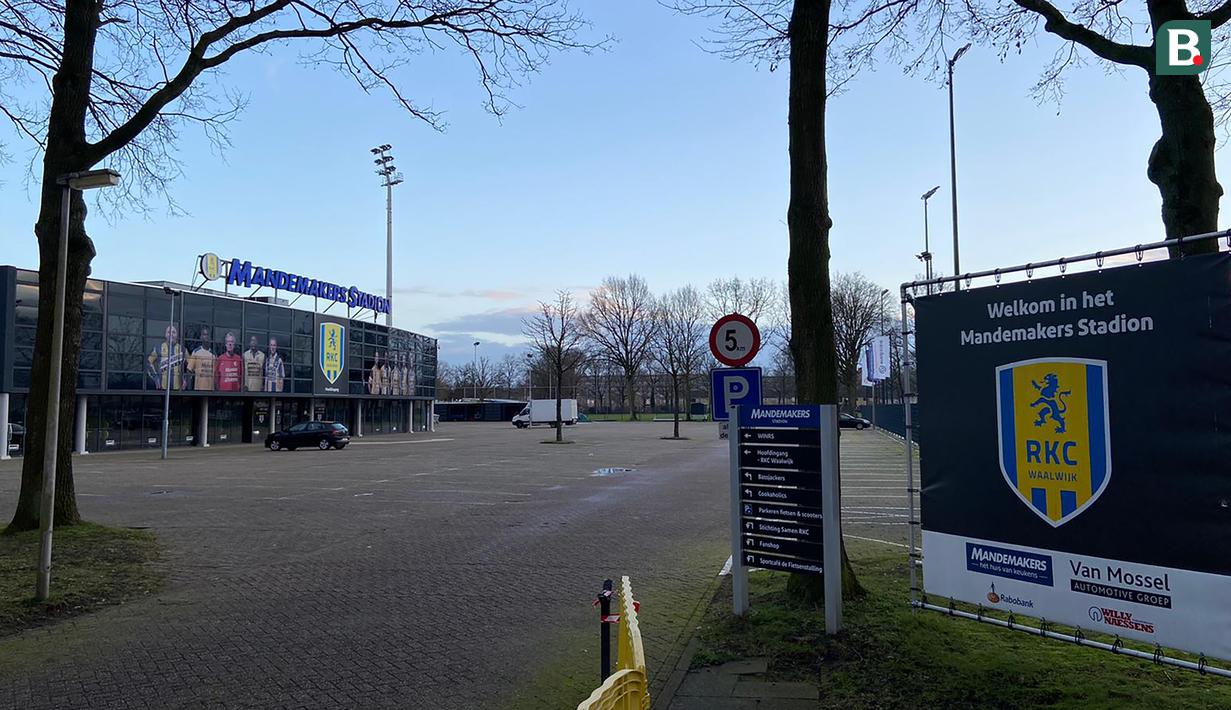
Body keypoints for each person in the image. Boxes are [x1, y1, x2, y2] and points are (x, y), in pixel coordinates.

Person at [147, 325, 185, 390]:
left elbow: (191, 365)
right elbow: (148, 362)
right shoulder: (158, 348)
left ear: (177, 335)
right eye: (169, 332)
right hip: (162, 389)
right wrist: (155, 378)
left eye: (173, 332)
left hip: (178, 390)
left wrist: (185, 380)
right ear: (165, 335)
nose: (171, 334)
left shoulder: (182, 349)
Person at [186, 326, 216, 391]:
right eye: (204, 334)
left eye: (208, 334)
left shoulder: (214, 354)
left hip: (211, 390)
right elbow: (189, 371)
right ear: (201, 337)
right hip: (198, 390)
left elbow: (216, 373)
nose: (206, 337)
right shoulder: (196, 352)